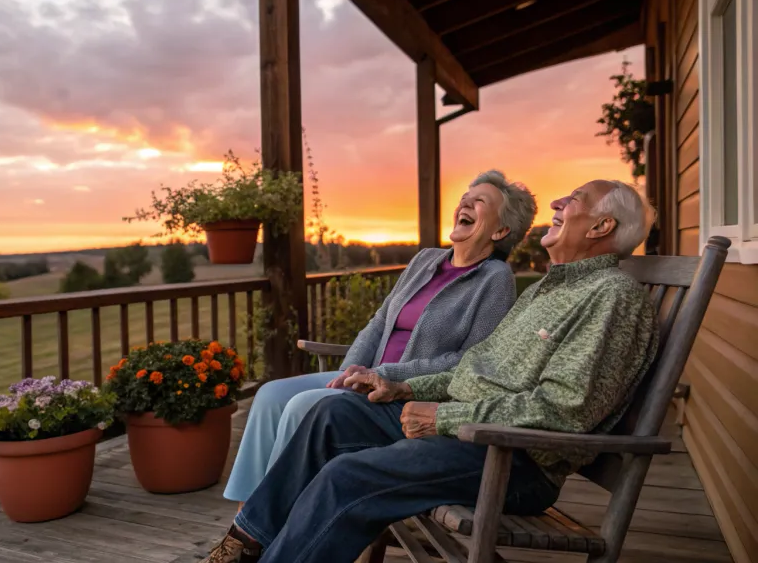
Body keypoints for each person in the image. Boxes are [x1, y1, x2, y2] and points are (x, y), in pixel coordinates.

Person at [204, 180, 660, 563]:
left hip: (512, 457)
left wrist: (440, 417)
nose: (558, 204)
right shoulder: (545, 289)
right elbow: (472, 367)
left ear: (602, 226)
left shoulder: (612, 297)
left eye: (573, 199)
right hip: (465, 431)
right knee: (331, 416)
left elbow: (565, 410)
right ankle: (244, 546)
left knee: (349, 475)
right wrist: (400, 385)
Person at [223, 170, 537, 505]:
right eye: (466, 195)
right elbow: (379, 322)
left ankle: (273, 520)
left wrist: (388, 375)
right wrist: (351, 368)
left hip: (401, 394)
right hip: (364, 377)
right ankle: (245, 516)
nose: (466, 201)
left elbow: (469, 361)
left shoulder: (495, 279)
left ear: (500, 230)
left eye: (480, 201)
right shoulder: (426, 260)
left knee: (302, 406)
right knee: (271, 394)